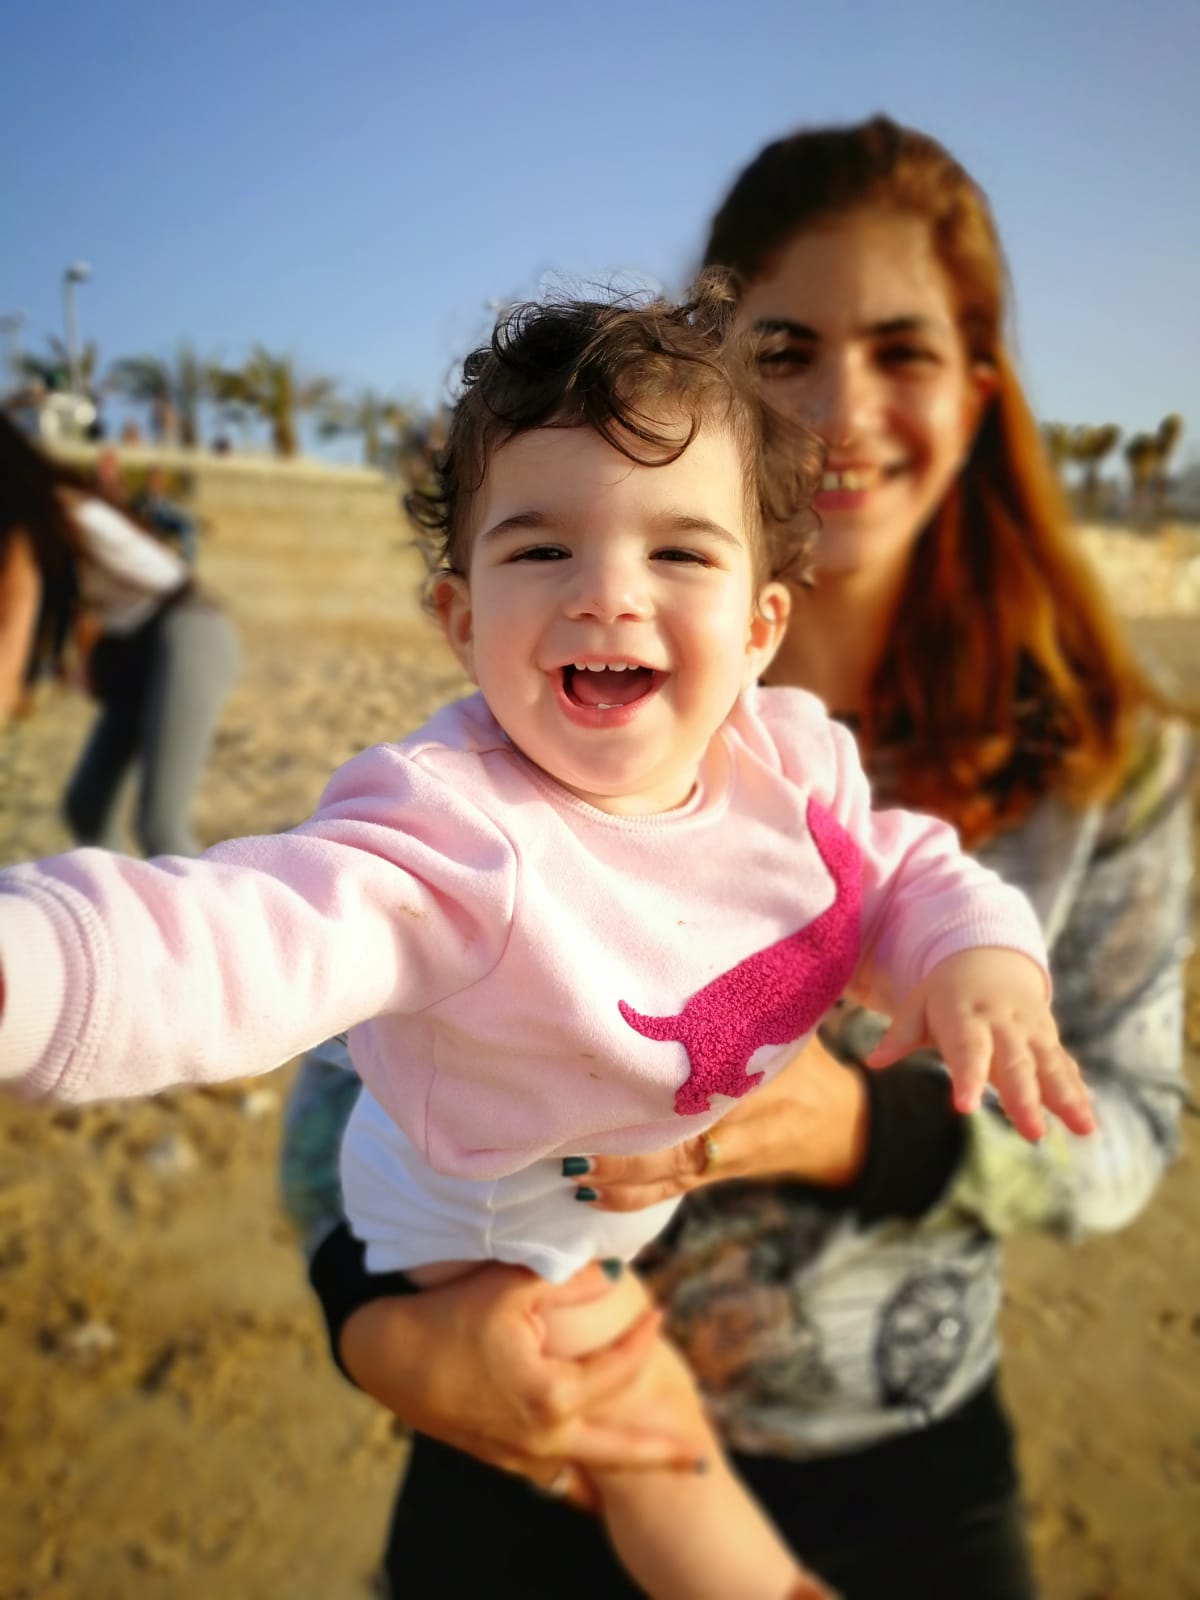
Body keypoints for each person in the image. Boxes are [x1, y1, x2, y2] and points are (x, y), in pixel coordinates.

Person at [0, 282, 1093, 1600]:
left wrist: (978, 957)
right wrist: (34, 966)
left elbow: (901, 872)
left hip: (628, 1191)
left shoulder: (786, 763)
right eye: (539, 551)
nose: (609, 594)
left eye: (679, 553)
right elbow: (244, 934)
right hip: (483, 1212)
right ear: (462, 620)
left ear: (761, 626)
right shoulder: (456, 829)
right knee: (642, 1427)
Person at [282, 117, 1194, 1600]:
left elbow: (1130, 1133)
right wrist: (379, 1330)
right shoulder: (548, 699)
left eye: (902, 351)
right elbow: (344, 1076)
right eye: (784, 350)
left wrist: (858, 1126)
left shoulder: (1108, 765)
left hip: (897, 1458)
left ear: (980, 389)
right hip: (533, 1437)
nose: (841, 408)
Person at [0, 415, 238, 857]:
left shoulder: (50, 516)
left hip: (189, 632)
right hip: (134, 646)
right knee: (86, 808)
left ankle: (204, 903)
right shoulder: (48, 516)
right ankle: (114, 893)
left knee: (160, 826)